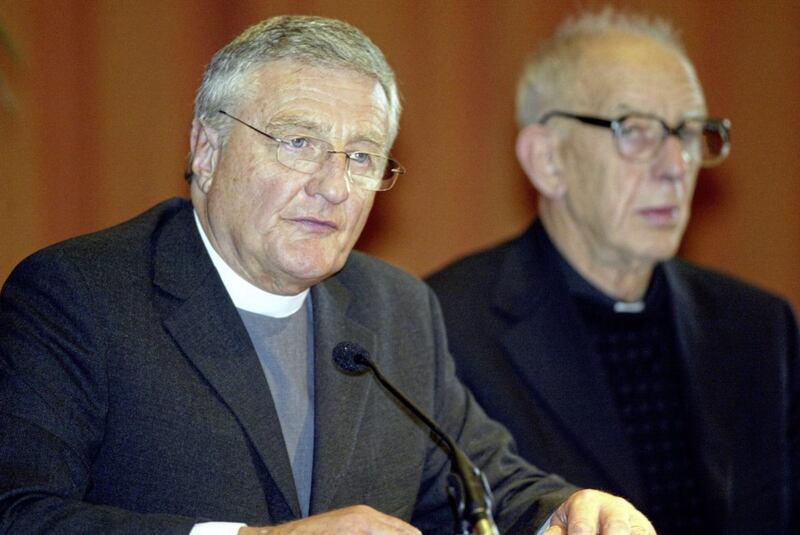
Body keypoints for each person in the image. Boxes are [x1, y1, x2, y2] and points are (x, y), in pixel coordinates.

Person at [0, 14, 655, 535]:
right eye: (298, 142)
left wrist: (565, 510)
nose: (335, 186)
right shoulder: (79, 295)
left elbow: (482, 481)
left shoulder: (397, 305)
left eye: (363, 156)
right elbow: (19, 512)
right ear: (206, 148)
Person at [427, 7, 799, 535]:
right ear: (547, 160)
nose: (675, 165)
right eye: (636, 131)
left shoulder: (758, 326)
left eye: (690, 132)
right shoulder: (447, 328)